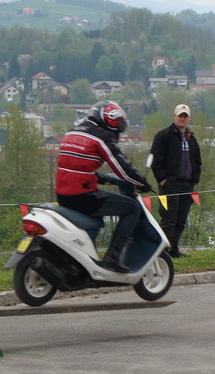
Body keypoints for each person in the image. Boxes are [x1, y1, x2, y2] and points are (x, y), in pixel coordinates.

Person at [56, 100, 152, 273]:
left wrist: (105, 179)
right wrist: (142, 182)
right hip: (82, 196)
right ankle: (112, 258)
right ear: (111, 122)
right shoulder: (101, 137)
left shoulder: (73, 132)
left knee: (97, 217)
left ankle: (85, 260)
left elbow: (77, 166)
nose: (117, 135)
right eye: (118, 130)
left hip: (63, 195)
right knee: (132, 208)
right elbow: (121, 166)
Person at [149, 103, 202, 258]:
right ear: (174, 117)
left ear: (189, 118)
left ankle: (174, 249)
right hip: (170, 184)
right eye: (180, 116)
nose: (182, 119)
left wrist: (195, 179)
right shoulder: (163, 136)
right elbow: (155, 159)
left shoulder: (192, 139)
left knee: (181, 219)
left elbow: (198, 162)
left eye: (185, 116)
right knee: (168, 219)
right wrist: (162, 180)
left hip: (187, 184)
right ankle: (162, 252)